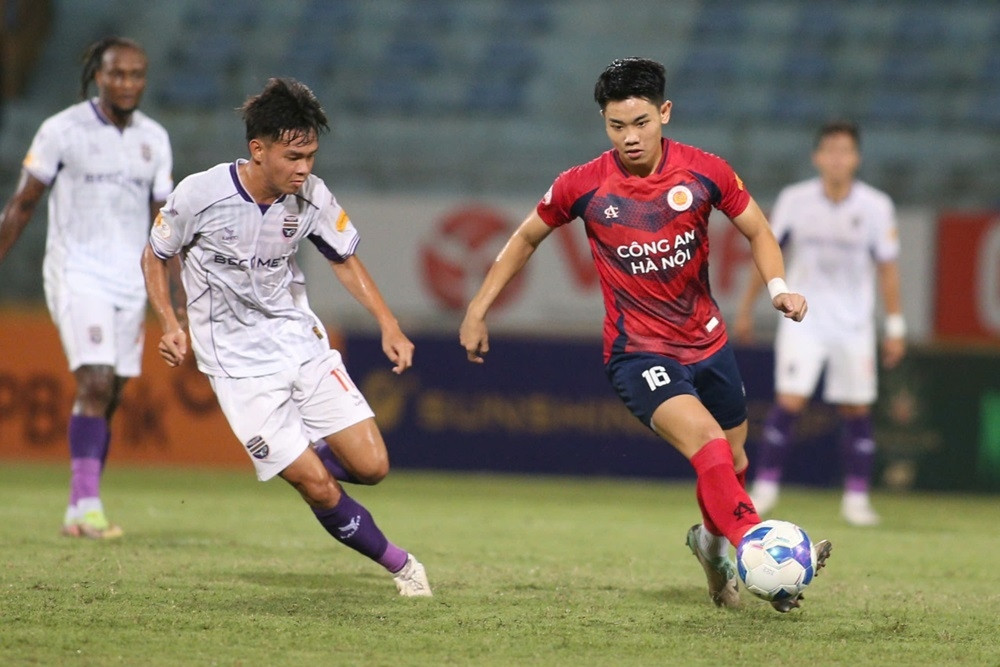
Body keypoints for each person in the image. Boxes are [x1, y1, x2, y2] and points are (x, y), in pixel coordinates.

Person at [460, 57, 831, 612]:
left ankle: (709, 545)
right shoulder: (581, 185)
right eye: (616, 126)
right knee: (708, 446)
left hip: (708, 343)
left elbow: (756, 227)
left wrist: (778, 286)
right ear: (604, 124)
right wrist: (477, 309)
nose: (629, 137)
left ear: (664, 113)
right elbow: (524, 238)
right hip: (638, 353)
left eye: (640, 123)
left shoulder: (705, 171)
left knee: (733, 462)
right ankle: (758, 545)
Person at [141, 77, 431, 597]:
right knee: (317, 485)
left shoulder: (313, 197)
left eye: (311, 155)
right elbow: (155, 254)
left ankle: (302, 450)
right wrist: (168, 321)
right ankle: (404, 568)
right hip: (236, 366)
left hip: (299, 343)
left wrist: (389, 323)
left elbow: (344, 259)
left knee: (373, 467)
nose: (305, 168)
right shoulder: (199, 195)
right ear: (258, 149)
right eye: (293, 156)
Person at [0, 37, 173, 539]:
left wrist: (177, 296)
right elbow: (23, 203)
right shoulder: (62, 130)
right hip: (76, 271)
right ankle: (86, 506)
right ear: (97, 76)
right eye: (117, 74)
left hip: (131, 279)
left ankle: (81, 509)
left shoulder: (155, 139)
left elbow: (164, 223)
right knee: (95, 381)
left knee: (112, 392)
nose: (127, 83)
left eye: (136, 74)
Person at [734, 120, 904, 527]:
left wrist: (895, 326)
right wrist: (744, 309)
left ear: (856, 158)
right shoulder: (796, 200)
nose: (837, 158)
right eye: (830, 150)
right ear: (817, 157)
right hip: (802, 317)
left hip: (854, 324)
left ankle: (857, 498)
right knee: (789, 400)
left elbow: (888, 269)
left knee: (856, 408)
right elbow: (768, 249)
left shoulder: (876, 206)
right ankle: (767, 488)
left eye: (845, 151)